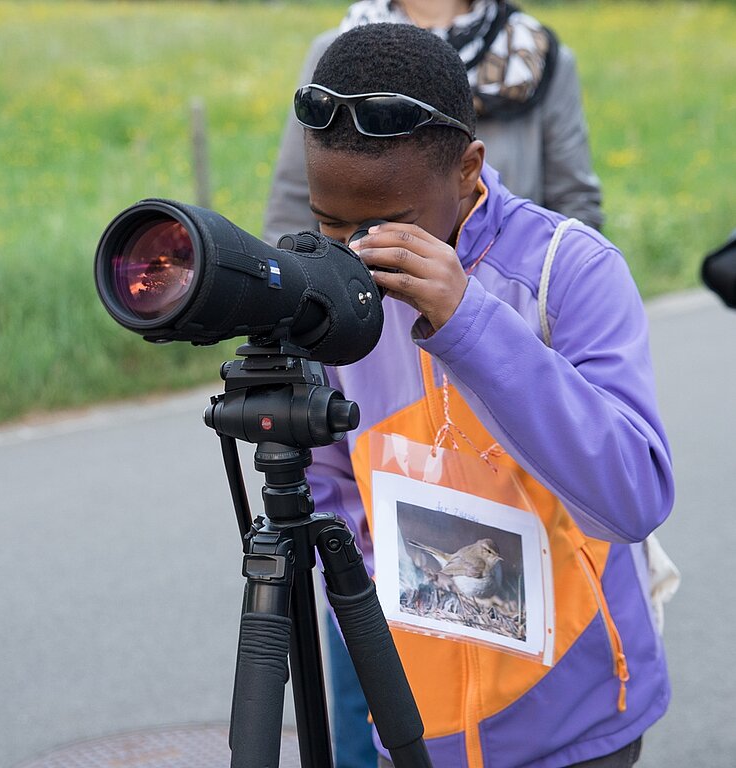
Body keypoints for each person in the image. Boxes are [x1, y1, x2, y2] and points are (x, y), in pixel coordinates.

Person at [294, 22, 674, 768]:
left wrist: (470, 321)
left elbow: (634, 496)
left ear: (469, 169)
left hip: (577, 720)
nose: (358, 251)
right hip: (418, 726)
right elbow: (326, 487)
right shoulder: (332, 291)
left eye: (389, 226)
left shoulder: (571, 271)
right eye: (331, 224)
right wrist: (394, 605)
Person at [262, 0, 603, 249]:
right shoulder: (339, 52)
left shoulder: (532, 58)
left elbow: (574, 199)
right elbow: (294, 198)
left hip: (507, 294)